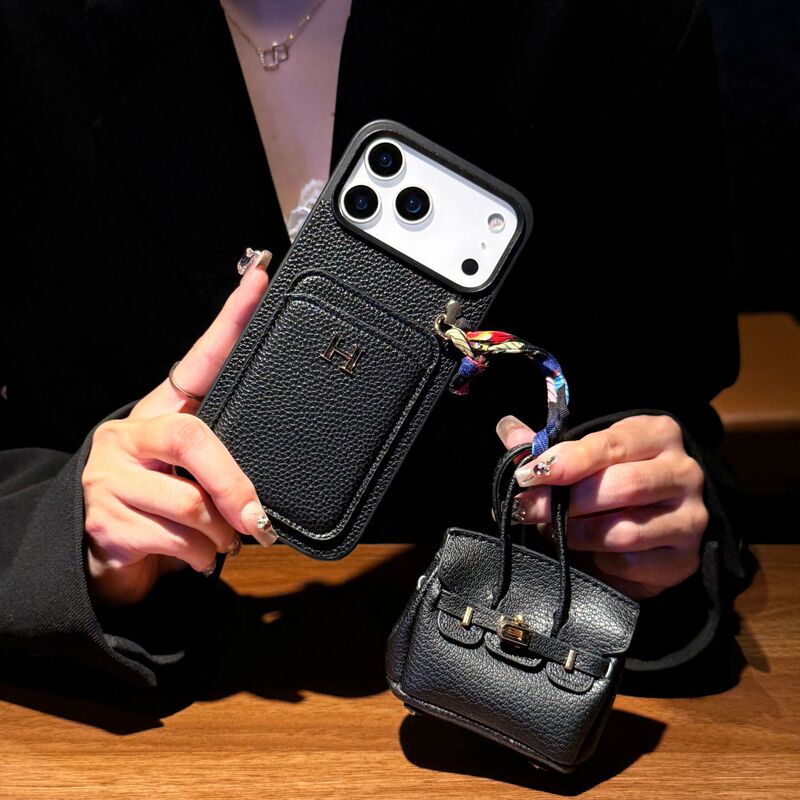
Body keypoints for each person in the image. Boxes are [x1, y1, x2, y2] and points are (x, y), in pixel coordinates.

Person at [1, 0, 754, 691]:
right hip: (116, 697)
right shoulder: (26, 37)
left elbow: (676, 418)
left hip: (496, 672)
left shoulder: (607, 25)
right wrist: (62, 535)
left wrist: (644, 521)